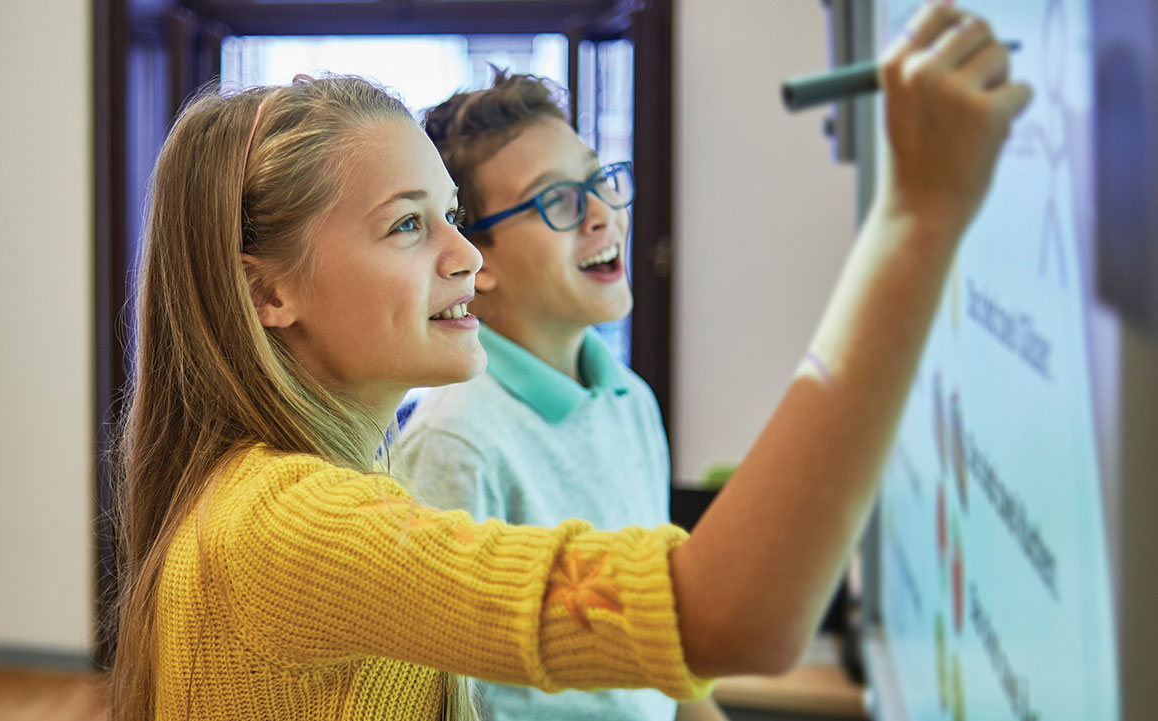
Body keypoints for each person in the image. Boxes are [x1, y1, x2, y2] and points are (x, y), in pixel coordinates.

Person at [110, 5, 1032, 719]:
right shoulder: (293, 522)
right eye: (406, 225)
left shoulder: (321, 480)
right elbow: (732, 612)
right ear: (268, 293)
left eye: (452, 217)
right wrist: (916, 219)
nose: (465, 257)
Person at [394, 71, 725, 721]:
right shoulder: (455, 441)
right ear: (473, 256)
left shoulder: (630, 397)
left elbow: (661, 650)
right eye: (558, 201)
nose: (603, 213)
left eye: (600, 182)